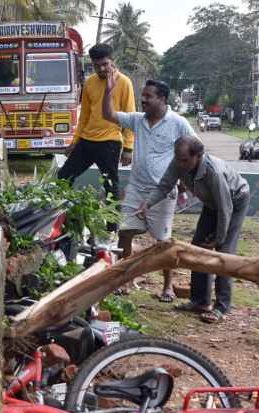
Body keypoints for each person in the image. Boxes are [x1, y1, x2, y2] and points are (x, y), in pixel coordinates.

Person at [101, 74, 195, 301]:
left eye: (148, 97)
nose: (143, 101)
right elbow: (108, 114)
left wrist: (184, 179)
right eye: (142, 96)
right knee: (125, 232)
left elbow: (195, 148)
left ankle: (168, 286)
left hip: (163, 192)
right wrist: (108, 91)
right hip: (136, 188)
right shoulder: (137, 120)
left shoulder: (178, 123)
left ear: (162, 99)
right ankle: (125, 280)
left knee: (163, 242)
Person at [154, 137, 249, 323]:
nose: (180, 164)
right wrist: (147, 204)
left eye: (185, 160)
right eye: (178, 159)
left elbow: (225, 208)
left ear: (198, 156)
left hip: (234, 201)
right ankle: (199, 301)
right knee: (197, 248)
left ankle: (221, 307)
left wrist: (219, 238)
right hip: (211, 203)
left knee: (224, 254)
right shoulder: (178, 162)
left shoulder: (213, 172)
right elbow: (164, 185)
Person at [57, 44, 134, 231]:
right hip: (86, 141)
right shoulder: (89, 83)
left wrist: (129, 148)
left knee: (110, 186)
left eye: (105, 64)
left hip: (110, 142)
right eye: (96, 65)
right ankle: (60, 218)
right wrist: (74, 142)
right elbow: (84, 116)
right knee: (63, 177)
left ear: (112, 61)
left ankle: (111, 228)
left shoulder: (124, 82)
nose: (101, 69)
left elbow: (130, 115)